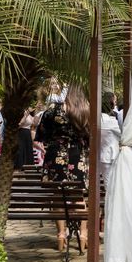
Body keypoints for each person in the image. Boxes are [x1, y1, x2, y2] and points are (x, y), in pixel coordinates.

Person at [35, 84, 90, 252]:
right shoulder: (86, 110)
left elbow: (41, 134)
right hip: (77, 155)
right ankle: (83, 234)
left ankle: (60, 234)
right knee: (78, 195)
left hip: (55, 155)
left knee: (57, 196)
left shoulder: (54, 110)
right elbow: (90, 137)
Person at [100, 92, 121, 182]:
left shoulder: (98, 118)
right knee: (111, 185)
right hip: (110, 155)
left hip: (102, 154)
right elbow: (122, 136)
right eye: (115, 101)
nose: (116, 103)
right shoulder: (110, 120)